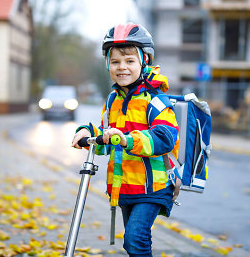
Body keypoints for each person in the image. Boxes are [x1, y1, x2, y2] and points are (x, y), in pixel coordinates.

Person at [71, 22, 179, 256]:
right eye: (115, 61)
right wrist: (87, 133)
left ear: (144, 62)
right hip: (125, 187)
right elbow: (104, 135)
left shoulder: (156, 101)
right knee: (135, 244)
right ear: (107, 64)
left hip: (153, 186)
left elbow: (165, 137)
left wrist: (126, 140)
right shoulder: (113, 100)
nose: (122, 67)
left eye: (130, 61)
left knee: (135, 239)